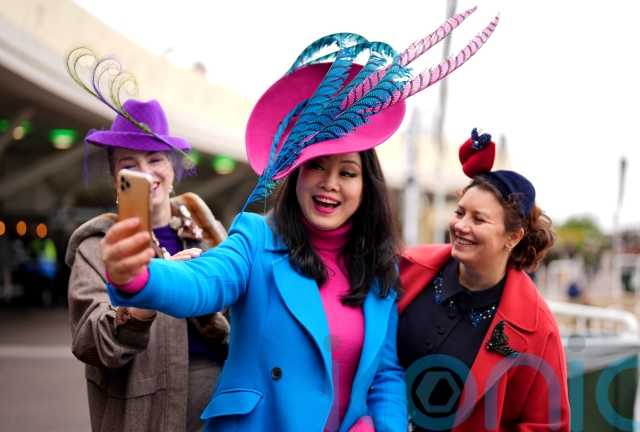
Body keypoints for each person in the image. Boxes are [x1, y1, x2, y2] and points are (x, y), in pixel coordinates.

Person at [101, 11, 500, 432]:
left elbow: (384, 375)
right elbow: (202, 282)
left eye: (347, 172)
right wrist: (138, 278)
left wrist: (382, 427)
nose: (329, 184)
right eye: (317, 167)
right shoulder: (256, 238)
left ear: (367, 188)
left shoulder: (380, 271)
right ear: (296, 174)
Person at [65, 92, 230, 431]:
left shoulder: (211, 237)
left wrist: (196, 293)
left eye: (155, 159)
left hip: (220, 416)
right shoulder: (97, 248)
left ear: (172, 168)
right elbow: (90, 343)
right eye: (129, 165)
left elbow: (248, 324)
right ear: (115, 180)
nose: (145, 173)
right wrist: (142, 303)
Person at [397, 129, 570, 431]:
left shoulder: (540, 330)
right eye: (460, 212)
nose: (461, 226)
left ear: (513, 237)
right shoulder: (407, 267)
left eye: (478, 219)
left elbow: (547, 425)